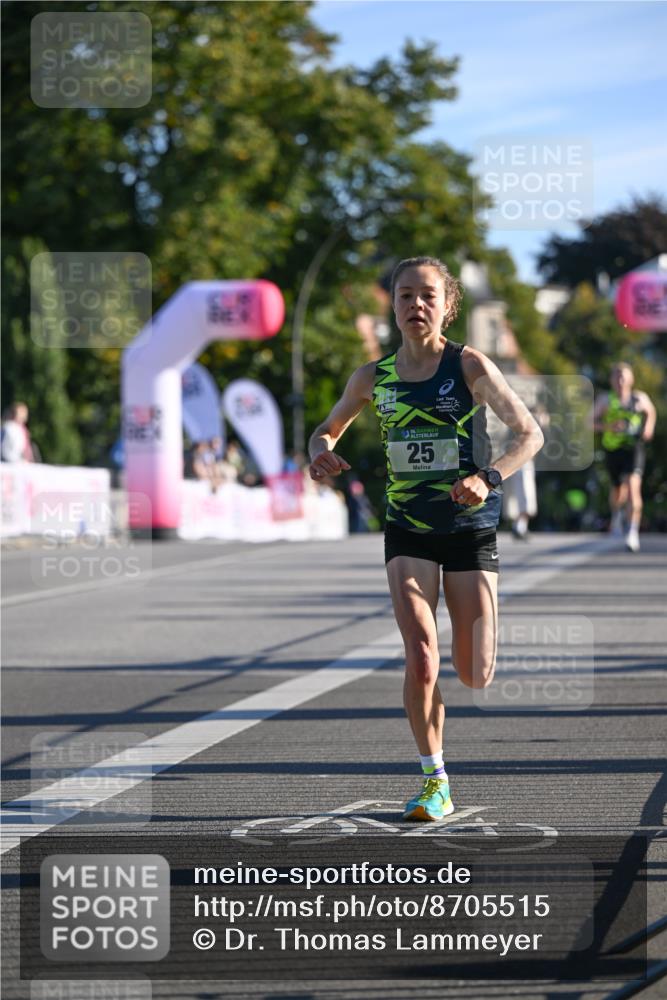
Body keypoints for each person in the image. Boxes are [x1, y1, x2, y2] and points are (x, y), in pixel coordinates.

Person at [308, 256, 543, 821]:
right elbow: (326, 428)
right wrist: (320, 452)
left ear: (447, 306)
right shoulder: (371, 377)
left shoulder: (468, 366)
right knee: (421, 657)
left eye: (427, 296)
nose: (416, 305)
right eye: (405, 295)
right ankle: (434, 779)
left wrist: (488, 479)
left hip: (468, 530)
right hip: (407, 530)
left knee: (473, 671)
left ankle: (476, 643)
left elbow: (529, 434)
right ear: (392, 305)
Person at [593, 363, 656, 552]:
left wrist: (648, 427)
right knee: (618, 491)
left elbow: (651, 412)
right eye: (617, 377)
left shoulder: (639, 398)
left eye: (624, 376)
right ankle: (617, 514)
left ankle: (632, 532)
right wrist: (609, 427)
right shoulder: (605, 400)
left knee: (633, 488)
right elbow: (590, 423)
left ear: (631, 379)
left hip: (634, 448)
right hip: (613, 449)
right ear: (612, 380)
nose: (621, 381)